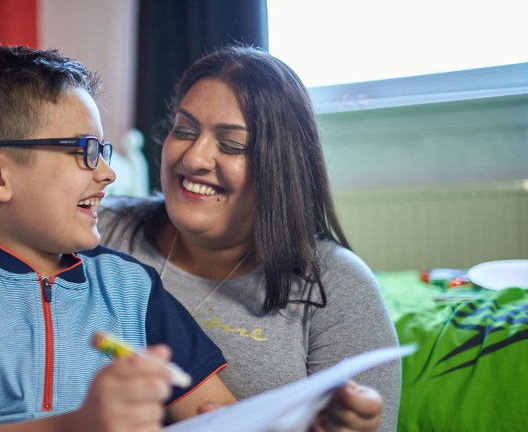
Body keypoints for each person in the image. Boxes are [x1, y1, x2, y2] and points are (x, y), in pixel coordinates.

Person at [0, 43, 236, 432]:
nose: (107, 173)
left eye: (103, 151)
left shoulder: (131, 287)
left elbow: (218, 411)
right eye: (85, 151)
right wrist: (79, 425)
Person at [97, 45, 401, 431]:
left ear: (280, 166)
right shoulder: (100, 228)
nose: (194, 159)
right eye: (184, 130)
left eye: (232, 145)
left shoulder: (339, 287)